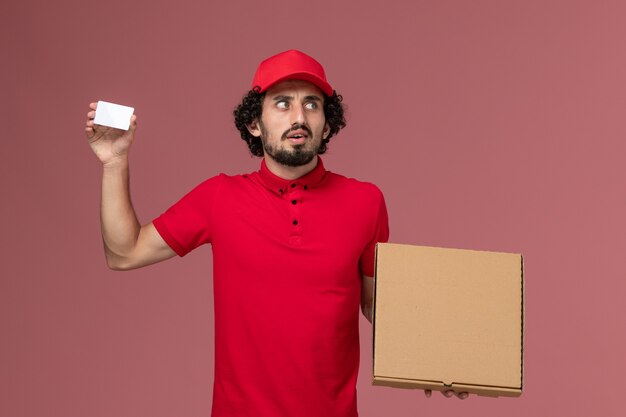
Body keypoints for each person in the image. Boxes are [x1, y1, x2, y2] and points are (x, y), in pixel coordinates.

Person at [84, 49, 466, 417]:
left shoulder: (365, 201)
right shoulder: (219, 197)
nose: (299, 116)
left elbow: (375, 304)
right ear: (255, 123)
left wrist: (438, 360)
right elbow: (125, 252)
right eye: (282, 103)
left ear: (327, 123)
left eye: (312, 104)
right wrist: (115, 162)